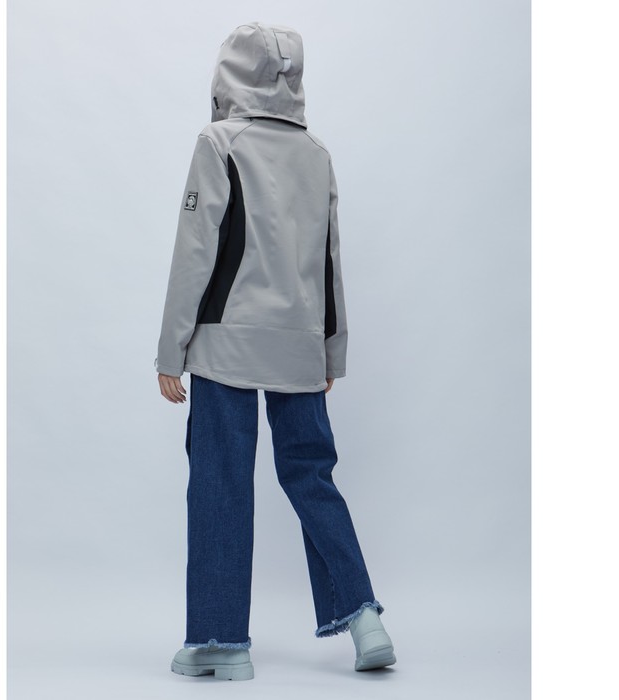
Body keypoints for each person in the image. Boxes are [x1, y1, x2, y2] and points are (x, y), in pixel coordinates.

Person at [155, 20, 397, 681]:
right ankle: (365, 618)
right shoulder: (316, 154)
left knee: (221, 482)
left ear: (230, 72)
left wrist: (171, 350)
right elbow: (330, 260)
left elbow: (194, 252)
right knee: (312, 476)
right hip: (298, 345)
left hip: (226, 343)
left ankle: (221, 641)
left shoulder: (218, 142)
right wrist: (331, 353)